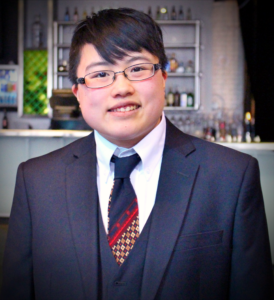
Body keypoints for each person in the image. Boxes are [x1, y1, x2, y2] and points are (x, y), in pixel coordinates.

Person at [1, 8, 273, 300]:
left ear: (164, 77)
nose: (122, 88)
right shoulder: (36, 182)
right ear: (78, 93)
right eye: (101, 74)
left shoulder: (232, 177)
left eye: (137, 69)